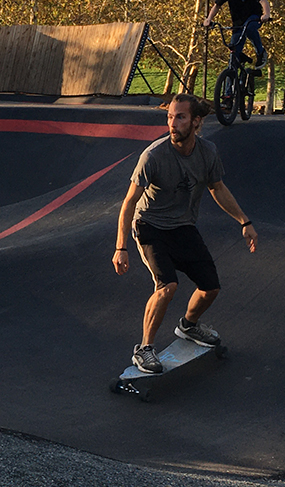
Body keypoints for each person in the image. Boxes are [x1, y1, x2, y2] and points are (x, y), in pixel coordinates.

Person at [112, 94, 257, 374]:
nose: (173, 123)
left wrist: (244, 221)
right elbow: (129, 202)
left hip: (183, 227)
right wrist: (121, 247)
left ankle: (188, 326)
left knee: (210, 287)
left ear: (196, 122)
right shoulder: (153, 155)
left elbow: (218, 188)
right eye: (170, 117)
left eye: (180, 117)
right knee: (167, 286)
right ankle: (144, 349)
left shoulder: (208, 152)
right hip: (150, 226)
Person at [203, 0, 271, 70]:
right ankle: (231, 76)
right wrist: (209, 19)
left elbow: (263, 1)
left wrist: (266, 14)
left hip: (253, 18)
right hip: (238, 23)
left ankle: (260, 52)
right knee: (234, 53)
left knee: (249, 28)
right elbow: (217, 5)